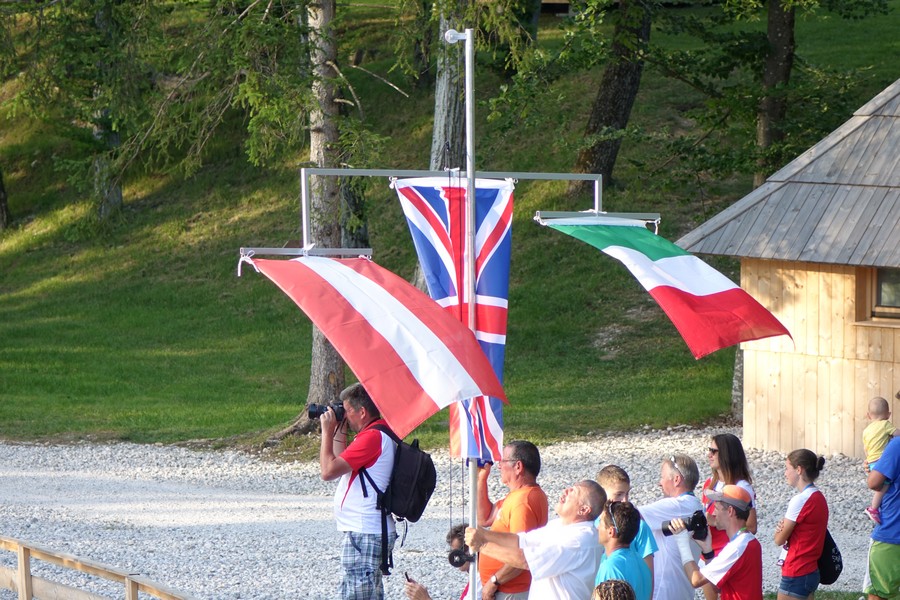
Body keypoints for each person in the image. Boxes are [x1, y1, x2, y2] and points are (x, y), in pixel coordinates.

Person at [319, 382, 397, 600]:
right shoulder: (377, 432)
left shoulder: (372, 438)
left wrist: (326, 432)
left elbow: (328, 471)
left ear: (362, 412)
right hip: (367, 531)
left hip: (365, 533)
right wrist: (339, 429)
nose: (345, 415)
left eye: (347, 411)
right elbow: (340, 461)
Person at [466, 480, 606, 600]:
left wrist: (482, 545)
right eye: (570, 487)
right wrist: (484, 534)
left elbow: (525, 560)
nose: (566, 491)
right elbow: (521, 540)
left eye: (574, 492)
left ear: (584, 510)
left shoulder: (580, 540)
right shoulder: (560, 525)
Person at [477, 440, 549, 599]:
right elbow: (485, 518)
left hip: (511, 591)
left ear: (518, 466)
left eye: (503, 461)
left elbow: (521, 554)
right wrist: (481, 479)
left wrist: (494, 582)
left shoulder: (523, 501)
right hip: (505, 589)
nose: (499, 466)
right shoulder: (518, 495)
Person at [670, 485, 763, 600]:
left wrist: (682, 542)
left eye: (717, 508)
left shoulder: (737, 548)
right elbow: (716, 587)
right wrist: (708, 552)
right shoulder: (750, 541)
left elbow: (696, 580)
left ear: (730, 511)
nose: (713, 513)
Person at [637, 455, 704, 600]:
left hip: (664, 592)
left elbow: (629, 515)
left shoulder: (677, 506)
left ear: (676, 479)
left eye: (662, 477)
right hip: (683, 591)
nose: (659, 483)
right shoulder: (696, 505)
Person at [774, 449, 828, 600]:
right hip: (811, 570)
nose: (785, 473)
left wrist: (779, 530)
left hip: (796, 571)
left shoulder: (800, 500)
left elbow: (778, 540)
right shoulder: (819, 497)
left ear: (799, 470)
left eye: (787, 468)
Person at [595, 465, 657, 594]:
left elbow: (649, 576)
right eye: (619, 494)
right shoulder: (593, 524)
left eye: (627, 493)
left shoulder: (639, 526)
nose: (625, 500)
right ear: (601, 493)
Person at [405, 524, 482, 600]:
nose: (455, 558)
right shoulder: (476, 575)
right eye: (453, 553)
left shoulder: (480, 578)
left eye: (458, 553)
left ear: (472, 550)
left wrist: (424, 598)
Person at [866, 433, 900, 600]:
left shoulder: (897, 445)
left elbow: (873, 482)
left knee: (879, 594)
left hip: (892, 534)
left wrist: (875, 468)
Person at [596, 500, 652, 600]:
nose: (597, 527)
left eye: (600, 522)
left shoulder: (610, 567)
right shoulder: (640, 561)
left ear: (611, 532)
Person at [863, 396, 897, 524]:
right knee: (885, 485)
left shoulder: (866, 431)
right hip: (882, 460)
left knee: (879, 485)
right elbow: (897, 435)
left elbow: (866, 448)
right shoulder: (885, 424)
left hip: (871, 461)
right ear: (888, 415)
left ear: (868, 415)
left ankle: (878, 508)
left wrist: (868, 460)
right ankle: (873, 508)